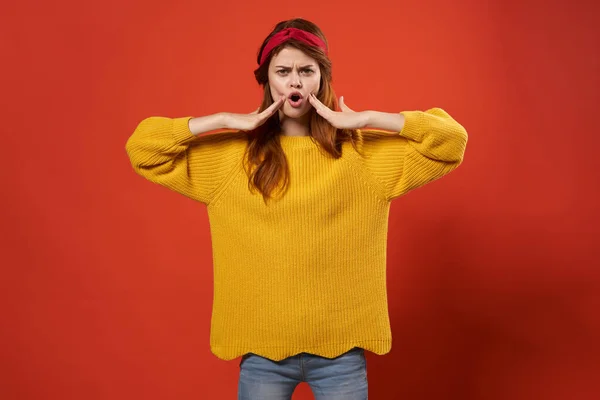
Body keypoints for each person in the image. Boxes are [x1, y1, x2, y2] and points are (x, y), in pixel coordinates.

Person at [125, 17, 468, 400]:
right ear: (267, 80)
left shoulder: (361, 156)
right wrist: (220, 121)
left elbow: (451, 142)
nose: (295, 82)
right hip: (263, 355)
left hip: (341, 356)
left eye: (307, 71)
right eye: (283, 71)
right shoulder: (233, 160)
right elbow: (143, 148)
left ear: (322, 78)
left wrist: (368, 119)